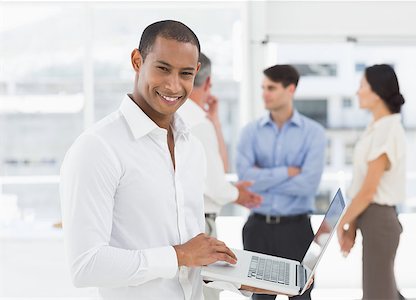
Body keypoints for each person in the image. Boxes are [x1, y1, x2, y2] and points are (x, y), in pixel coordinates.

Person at [59, 20, 238, 300]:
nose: (173, 85)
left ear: (197, 73)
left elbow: (191, 258)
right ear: (137, 61)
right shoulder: (97, 147)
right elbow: (85, 266)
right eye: (162, 68)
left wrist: (240, 280)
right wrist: (178, 256)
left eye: (185, 73)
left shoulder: (192, 147)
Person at [236, 64, 327, 300]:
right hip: (258, 230)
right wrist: (288, 171)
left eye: (271, 88)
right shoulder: (250, 133)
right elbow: (246, 180)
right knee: (260, 298)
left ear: (291, 89)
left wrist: (263, 177)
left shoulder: (313, 133)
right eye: (263, 88)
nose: (264, 94)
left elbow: (307, 185)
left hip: (296, 230)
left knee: (301, 296)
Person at [177, 52, 262, 299]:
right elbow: (218, 186)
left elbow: (218, 170)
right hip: (199, 226)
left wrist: (213, 120)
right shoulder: (196, 122)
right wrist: (239, 194)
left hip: (188, 227)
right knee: (204, 294)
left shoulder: (180, 118)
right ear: (208, 82)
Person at [337, 64, 406, 300]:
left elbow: (368, 190)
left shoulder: (387, 129)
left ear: (376, 92)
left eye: (361, 86)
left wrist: (342, 223)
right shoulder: (377, 128)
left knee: (378, 294)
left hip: (378, 220)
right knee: (384, 292)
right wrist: (353, 224)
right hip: (372, 219)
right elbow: (362, 188)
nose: (357, 92)